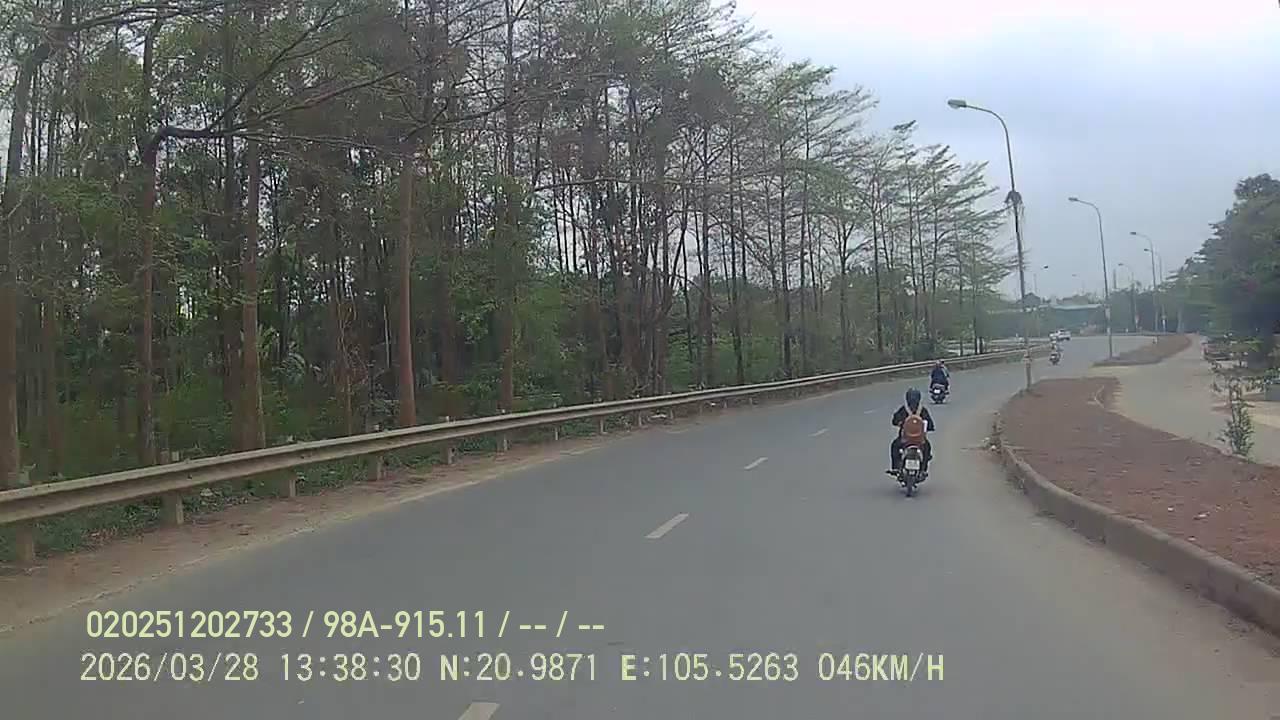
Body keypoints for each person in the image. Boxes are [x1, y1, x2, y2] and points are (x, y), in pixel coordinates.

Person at [888, 387, 936, 475]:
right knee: (927, 449)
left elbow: (894, 421)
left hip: (904, 440)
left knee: (894, 446)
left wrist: (899, 423)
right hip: (920, 441)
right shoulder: (923, 411)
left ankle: (895, 468)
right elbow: (930, 425)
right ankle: (923, 470)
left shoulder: (903, 410)